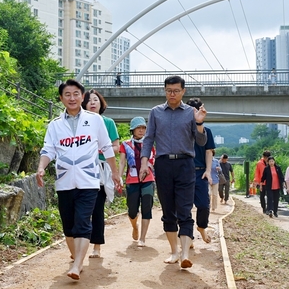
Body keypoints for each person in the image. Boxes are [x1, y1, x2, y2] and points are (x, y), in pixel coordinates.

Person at [36, 79, 121, 281]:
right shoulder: (55, 125)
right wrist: (41, 167)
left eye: (76, 94)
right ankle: (77, 258)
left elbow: (107, 148)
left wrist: (115, 172)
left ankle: (77, 264)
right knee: (69, 225)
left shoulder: (94, 120)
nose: (72, 98)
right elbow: (48, 150)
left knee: (83, 221)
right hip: (64, 182)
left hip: (89, 181)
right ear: (61, 98)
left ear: (82, 97)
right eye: (67, 94)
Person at [139, 76, 207, 269]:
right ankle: (175, 251)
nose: (172, 94)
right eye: (169, 90)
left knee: (184, 210)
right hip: (163, 165)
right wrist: (144, 163)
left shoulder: (191, 113)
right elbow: (148, 139)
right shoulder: (156, 112)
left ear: (183, 91)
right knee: (168, 211)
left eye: (176, 90)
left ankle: (185, 254)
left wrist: (200, 124)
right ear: (164, 90)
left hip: (185, 164)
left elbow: (201, 142)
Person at [81, 89, 120, 259]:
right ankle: (79, 245)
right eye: (89, 100)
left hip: (102, 170)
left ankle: (96, 246)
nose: (92, 102)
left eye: (95, 99)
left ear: (101, 103)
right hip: (82, 168)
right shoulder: (79, 122)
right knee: (81, 210)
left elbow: (117, 147)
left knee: (97, 208)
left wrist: (103, 149)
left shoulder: (108, 122)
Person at [118, 116, 155, 247]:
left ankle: (143, 238)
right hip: (132, 179)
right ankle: (135, 226)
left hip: (148, 179)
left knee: (147, 208)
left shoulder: (150, 144)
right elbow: (122, 162)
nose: (141, 130)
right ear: (132, 130)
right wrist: (119, 177)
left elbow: (154, 160)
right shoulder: (125, 145)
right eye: (138, 128)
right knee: (132, 210)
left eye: (143, 128)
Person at [186, 98, 216, 244]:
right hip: (184, 172)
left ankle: (201, 228)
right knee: (184, 207)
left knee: (203, 205)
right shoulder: (182, 130)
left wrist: (208, 171)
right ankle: (187, 237)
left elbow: (209, 152)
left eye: (195, 110)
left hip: (200, 172)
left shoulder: (206, 131)